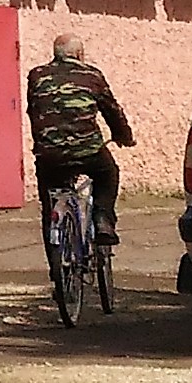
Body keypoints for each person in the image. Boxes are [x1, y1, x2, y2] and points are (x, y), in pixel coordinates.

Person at [26, 33, 135, 242]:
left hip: (50, 155)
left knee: (50, 202)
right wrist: (123, 136)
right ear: (79, 54)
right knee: (108, 173)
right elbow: (112, 110)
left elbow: (34, 111)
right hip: (88, 151)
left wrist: (42, 145)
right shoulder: (91, 75)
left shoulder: (37, 75)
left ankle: (56, 265)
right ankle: (103, 219)